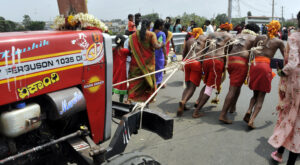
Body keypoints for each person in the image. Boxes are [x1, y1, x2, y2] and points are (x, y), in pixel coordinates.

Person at [268, 12, 300, 165]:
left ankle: (281, 154)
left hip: (295, 83)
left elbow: (293, 64)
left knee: (289, 116)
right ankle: (283, 155)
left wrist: (281, 72)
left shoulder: (294, 37)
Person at [243, 20, 285, 129]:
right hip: (265, 66)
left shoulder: (259, 37)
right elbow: (286, 57)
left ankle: (248, 111)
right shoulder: (278, 42)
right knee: (261, 97)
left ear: (268, 28)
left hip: (255, 65)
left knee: (255, 94)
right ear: (278, 30)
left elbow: (252, 50)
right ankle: (251, 121)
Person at [219, 23, 260, 124]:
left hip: (231, 61)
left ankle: (232, 107)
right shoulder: (254, 37)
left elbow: (227, 48)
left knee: (237, 86)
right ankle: (223, 114)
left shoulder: (237, 35)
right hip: (241, 62)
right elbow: (256, 52)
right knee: (233, 89)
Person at [193, 23, 232, 118]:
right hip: (217, 61)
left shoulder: (211, 34)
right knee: (210, 87)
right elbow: (229, 50)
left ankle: (198, 101)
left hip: (206, 59)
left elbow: (205, 47)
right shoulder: (229, 36)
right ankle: (196, 111)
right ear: (228, 29)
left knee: (207, 84)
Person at [128, 19, 164, 102]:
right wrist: (161, 43)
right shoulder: (151, 34)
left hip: (135, 62)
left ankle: (132, 98)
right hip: (149, 63)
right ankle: (147, 97)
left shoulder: (133, 35)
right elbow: (156, 46)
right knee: (148, 80)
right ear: (149, 26)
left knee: (135, 80)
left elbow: (130, 48)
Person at [177, 28, 206, 116]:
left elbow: (184, 53)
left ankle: (183, 104)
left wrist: (183, 64)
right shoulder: (205, 40)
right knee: (192, 88)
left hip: (187, 62)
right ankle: (183, 101)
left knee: (187, 86)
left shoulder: (189, 40)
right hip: (196, 63)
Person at [112, 34, 130, 102]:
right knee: (122, 86)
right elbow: (131, 53)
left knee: (113, 83)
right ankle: (121, 101)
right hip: (122, 72)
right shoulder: (125, 51)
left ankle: (109, 100)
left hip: (114, 71)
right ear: (123, 42)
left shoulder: (113, 50)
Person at [153, 19, 167, 87]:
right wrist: (166, 58)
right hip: (158, 55)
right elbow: (162, 45)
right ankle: (157, 83)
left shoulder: (151, 32)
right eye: (162, 25)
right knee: (159, 69)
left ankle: (155, 82)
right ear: (159, 26)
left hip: (150, 54)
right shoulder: (161, 34)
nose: (163, 26)